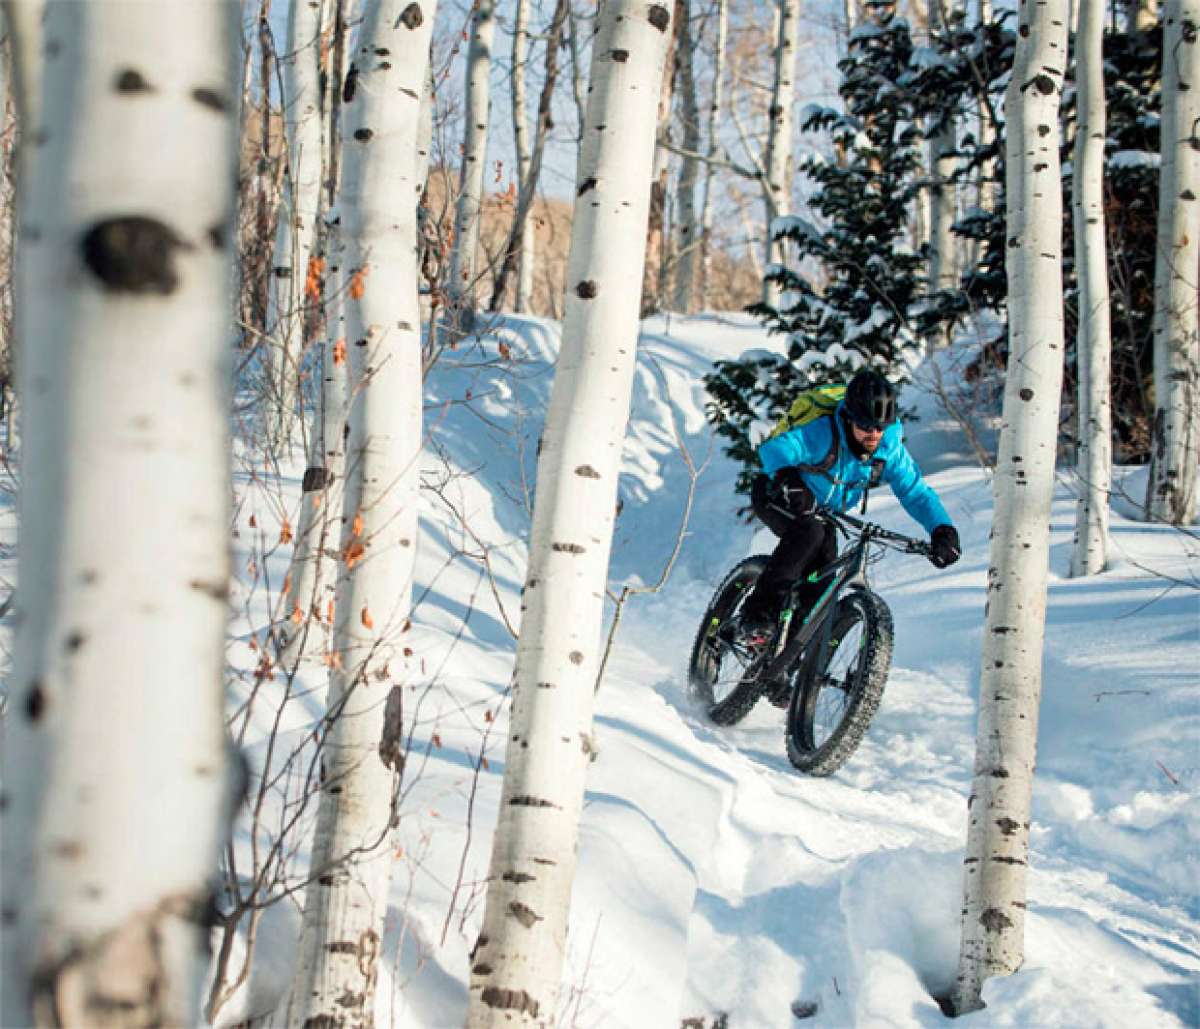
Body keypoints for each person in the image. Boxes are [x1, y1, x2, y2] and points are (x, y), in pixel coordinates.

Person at [736, 369, 961, 643]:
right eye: (866, 426)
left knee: (822, 585)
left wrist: (942, 528)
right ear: (850, 417)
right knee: (809, 533)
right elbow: (774, 449)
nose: (874, 434)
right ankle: (756, 614)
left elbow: (915, 492)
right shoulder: (823, 432)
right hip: (777, 494)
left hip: (823, 514)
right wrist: (788, 477)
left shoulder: (888, 449)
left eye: (881, 427)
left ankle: (784, 666)